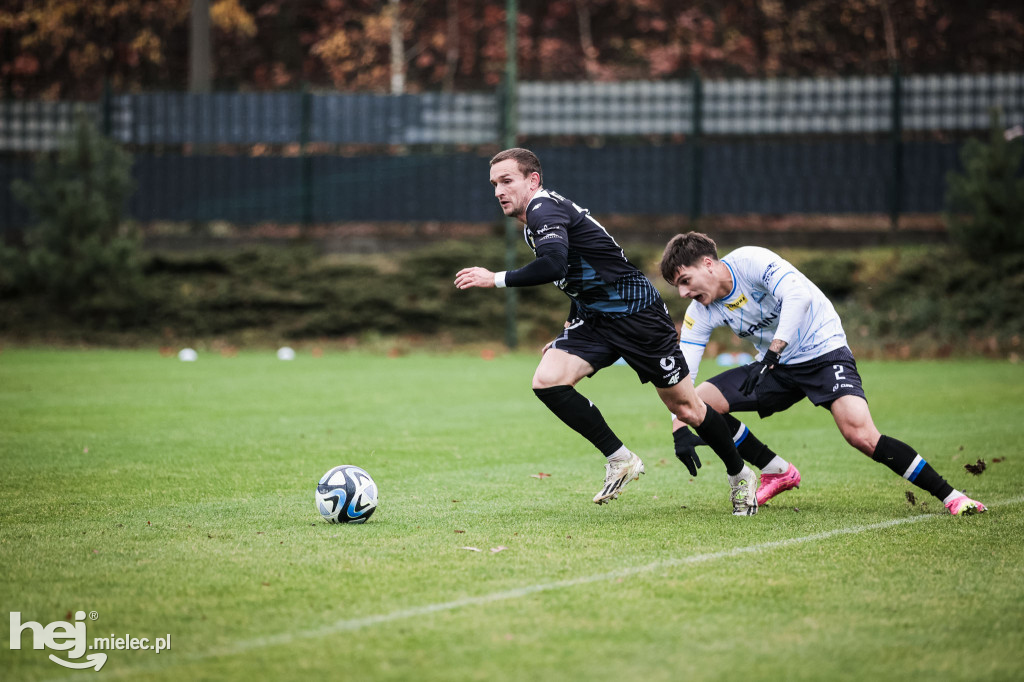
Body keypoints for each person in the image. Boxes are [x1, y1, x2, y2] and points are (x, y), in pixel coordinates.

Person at [454, 148, 759, 515]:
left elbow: (552, 265)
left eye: (507, 181)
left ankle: (740, 474)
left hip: (638, 318)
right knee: (548, 380)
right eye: (494, 184)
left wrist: (495, 279)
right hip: (596, 319)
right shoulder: (538, 216)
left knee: (688, 408)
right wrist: (570, 326)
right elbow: (581, 271)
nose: (499, 191)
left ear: (532, 180)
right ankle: (621, 459)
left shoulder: (542, 209)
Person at [659, 231, 987, 516]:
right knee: (702, 403)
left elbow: (797, 295)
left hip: (823, 353)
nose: (683, 293)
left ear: (707, 264)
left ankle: (952, 497)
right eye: (677, 287)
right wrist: (680, 425)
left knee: (860, 435)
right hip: (775, 366)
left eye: (685, 281)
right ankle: (777, 471)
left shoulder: (750, 261)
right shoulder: (700, 311)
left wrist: (772, 352)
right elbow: (683, 375)